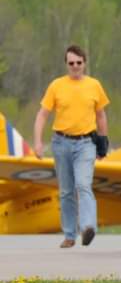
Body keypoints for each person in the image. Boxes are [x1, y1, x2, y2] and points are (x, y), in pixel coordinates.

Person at [32, 44, 111, 248]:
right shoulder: (56, 86)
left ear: (84, 63)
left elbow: (101, 115)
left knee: (83, 185)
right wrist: (38, 142)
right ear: (66, 64)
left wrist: (103, 142)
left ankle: (87, 227)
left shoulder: (94, 85)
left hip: (86, 143)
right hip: (61, 142)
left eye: (79, 63)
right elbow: (42, 115)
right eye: (71, 63)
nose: (75, 66)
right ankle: (69, 234)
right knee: (66, 191)